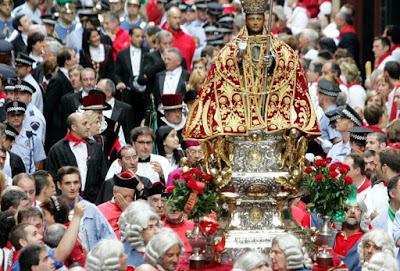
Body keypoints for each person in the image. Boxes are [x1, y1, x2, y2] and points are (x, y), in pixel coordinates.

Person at [183, 0, 319, 141]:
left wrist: (274, 63)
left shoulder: (279, 48)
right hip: (243, 102)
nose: (255, 22)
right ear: (246, 20)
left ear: (264, 20)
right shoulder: (232, 48)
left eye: (259, 19)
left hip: (268, 103)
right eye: (252, 19)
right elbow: (221, 67)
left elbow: (290, 64)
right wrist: (238, 59)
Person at [46, 112, 108, 202]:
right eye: (84, 124)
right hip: (65, 202)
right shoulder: (57, 150)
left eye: (88, 123)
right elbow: (53, 178)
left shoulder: (96, 147)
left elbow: (103, 176)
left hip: (94, 201)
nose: (88, 126)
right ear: (74, 127)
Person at [55, 166, 116, 251]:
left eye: (76, 182)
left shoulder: (91, 210)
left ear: (80, 184)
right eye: (67, 183)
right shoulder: (52, 208)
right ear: (59, 185)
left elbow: (110, 239)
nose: (72, 187)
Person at [97, 172, 142, 239]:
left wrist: (127, 211)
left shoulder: (138, 210)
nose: (127, 200)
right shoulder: (100, 210)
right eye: (125, 196)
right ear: (114, 193)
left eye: (130, 197)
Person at [7, 100, 46, 174]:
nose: (16, 118)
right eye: (12, 115)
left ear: (24, 116)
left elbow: (39, 163)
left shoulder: (33, 138)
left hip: (27, 180)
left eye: (19, 115)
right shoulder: (2, 137)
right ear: (7, 117)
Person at [119, 200, 161, 267]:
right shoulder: (121, 256)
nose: (156, 231)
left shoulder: (159, 250)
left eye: (156, 225)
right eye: (150, 227)